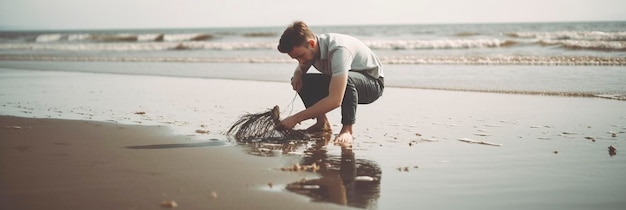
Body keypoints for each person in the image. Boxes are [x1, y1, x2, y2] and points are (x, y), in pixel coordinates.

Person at [275, 21, 384, 144]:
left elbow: (336, 100)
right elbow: (301, 67)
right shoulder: (312, 50)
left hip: (372, 84)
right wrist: (297, 73)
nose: (300, 61)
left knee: (347, 81)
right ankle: (322, 123)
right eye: (296, 58)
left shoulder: (338, 50)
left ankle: (347, 129)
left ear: (311, 44)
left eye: (301, 56)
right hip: (348, 82)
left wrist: (295, 118)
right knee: (302, 80)